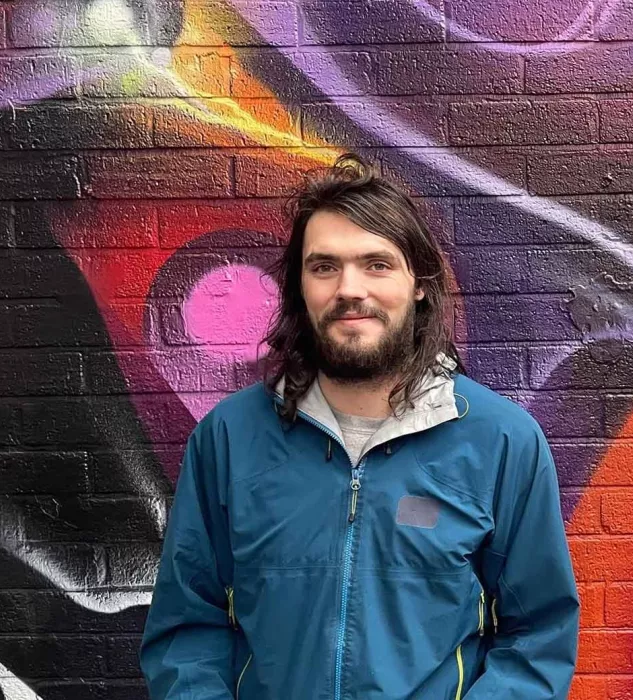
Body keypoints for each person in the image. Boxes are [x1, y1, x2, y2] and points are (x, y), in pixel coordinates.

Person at [140, 153, 580, 699]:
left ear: (419, 284)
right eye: (324, 266)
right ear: (299, 287)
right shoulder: (229, 439)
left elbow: (538, 635)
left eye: (377, 264)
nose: (350, 288)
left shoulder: (501, 442)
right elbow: (186, 629)